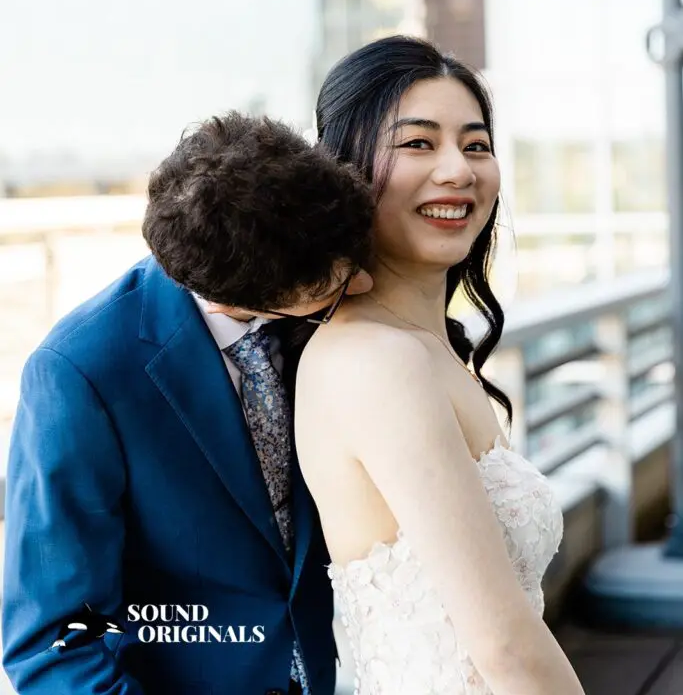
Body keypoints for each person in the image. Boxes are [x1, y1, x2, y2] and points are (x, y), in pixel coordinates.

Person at [2, 112, 375, 695]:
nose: (362, 284)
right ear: (233, 300)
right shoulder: (79, 373)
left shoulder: (311, 296)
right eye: (330, 285)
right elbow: (52, 644)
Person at [294, 35, 586, 695]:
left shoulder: (426, 347)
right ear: (344, 169)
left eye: (476, 145)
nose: (458, 170)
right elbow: (504, 648)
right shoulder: (375, 360)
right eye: (418, 143)